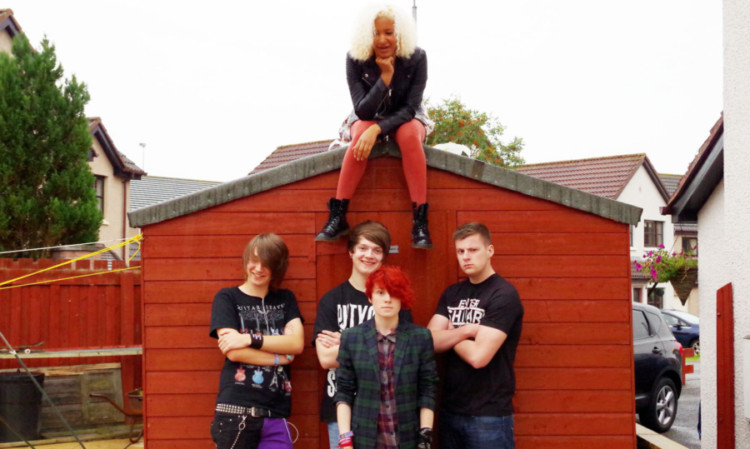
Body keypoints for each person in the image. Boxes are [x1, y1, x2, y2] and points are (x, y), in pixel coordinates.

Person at [315, 3, 434, 249]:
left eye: (388, 32)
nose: (382, 39)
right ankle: (338, 215)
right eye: (375, 33)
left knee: (410, 134)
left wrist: (378, 130)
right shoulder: (355, 59)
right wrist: (385, 78)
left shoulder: (417, 58)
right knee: (359, 133)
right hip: (368, 115)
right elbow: (363, 110)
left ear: (399, 33)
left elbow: (411, 108)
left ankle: (420, 222)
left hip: (407, 116)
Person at [313, 221, 413, 449]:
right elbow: (326, 359)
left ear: (384, 256)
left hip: (386, 409)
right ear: (351, 252)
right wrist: (380, 342)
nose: (369, 255)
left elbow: (403, 354)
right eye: (363, 248)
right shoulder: (332, 300)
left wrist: (345, 341)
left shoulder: (393, 299)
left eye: (377, 250)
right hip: (340, 408)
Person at [427, 223, 524, 449]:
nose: (465, 257)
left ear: (490, 251)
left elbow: (479, 356)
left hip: (489, 416)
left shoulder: (503, 294)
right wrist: (466, 331)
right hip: (451, 411)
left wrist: (450, 333)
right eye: (460, 251)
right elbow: (428, 340)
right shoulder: (452, 294)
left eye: (473, 250)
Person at [209, 233, 305, 449]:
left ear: (278, 267)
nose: (258, 268)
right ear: (246, 261)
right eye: (254, 261)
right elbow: (233, 352)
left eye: (267, 263)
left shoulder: (285, 299)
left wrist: (247, 338)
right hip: (236, 413)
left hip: (276, 413)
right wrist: (281, 358)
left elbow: (296, 343)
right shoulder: (227, 298)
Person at [335, 265, 437, 449]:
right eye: (380, 292)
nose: (387, 299)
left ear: (402, 298)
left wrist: (425, 437)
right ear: (370, 297)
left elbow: (428, 388)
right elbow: (343, 391)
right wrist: (345, 440)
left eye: (394, 293)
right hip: (364, 439)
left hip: (408, 437)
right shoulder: (352, 337)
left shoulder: (420, 337)